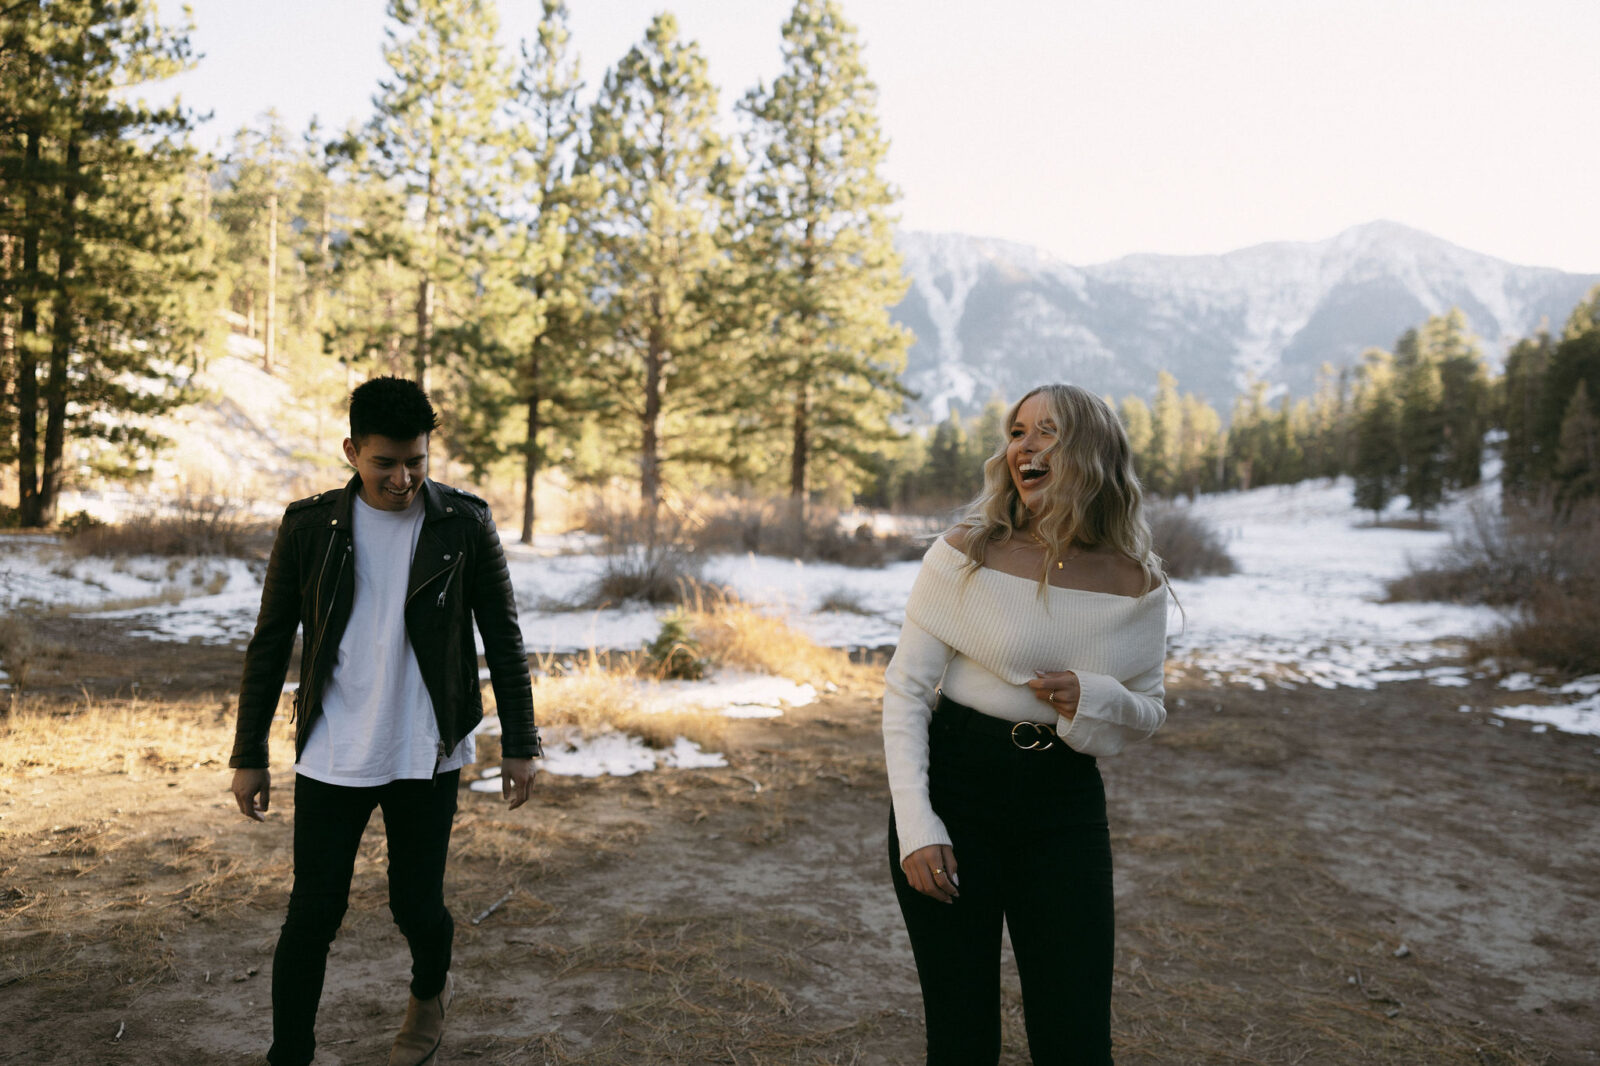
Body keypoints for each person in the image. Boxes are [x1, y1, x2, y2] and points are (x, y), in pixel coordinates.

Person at [229, 376, 541, 1066]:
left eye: (416, 462)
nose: (402, 479)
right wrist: (248, 750)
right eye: (385, 463)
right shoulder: (309, 526)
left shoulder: (465, 522)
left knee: (416, 908)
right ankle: (291, 1054)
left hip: (424, 750)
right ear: (351, 450)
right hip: (333, 747)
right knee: (312, 915)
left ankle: (428, 995)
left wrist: (520, 742)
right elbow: (271, 639)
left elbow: (504, 636)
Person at [882, 383, 1169, 1065]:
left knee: (1075, 1038)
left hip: (1063, 806)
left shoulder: (1136, 582)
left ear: (1092, 454)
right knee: (961, 1038)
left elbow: (1149, 710)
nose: (1025, 447)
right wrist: (918, 827)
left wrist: (1091, 697)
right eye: (1017, 431)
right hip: (957, 791)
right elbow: (905, 692)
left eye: (1048, 432)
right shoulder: (967, 552)